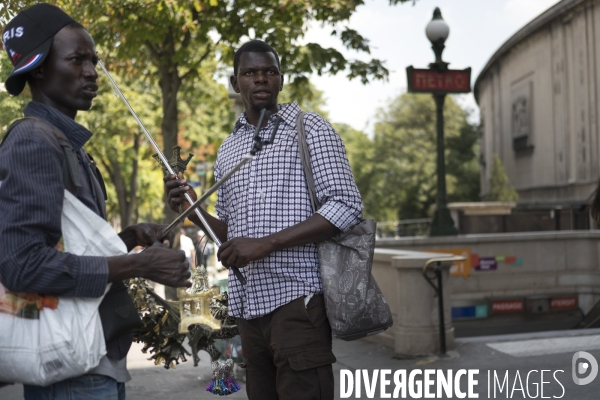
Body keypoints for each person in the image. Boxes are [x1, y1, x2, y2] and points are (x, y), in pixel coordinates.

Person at [0, 4, 191, 400]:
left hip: (96, 361)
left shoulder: (67, 144)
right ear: (37, 69)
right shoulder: (33, 141)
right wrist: (140, 263)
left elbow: (71, 249)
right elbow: (23, 265)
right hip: (72, 369)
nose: (92, 72)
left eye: (94, 60)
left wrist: (130, 237)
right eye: (77, 60)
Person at [165, 39, 363, 399]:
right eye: (250, 73)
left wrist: (266, 244)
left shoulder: (310, 129)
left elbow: (346, 206)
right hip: (247, 307)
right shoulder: (229, 148)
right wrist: (194, 210)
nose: (260, 79)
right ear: (235, 82)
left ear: (281, 80)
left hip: (297, 301)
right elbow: (230, 233)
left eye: (269, 71)